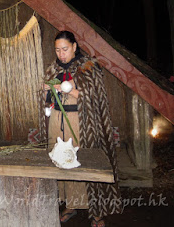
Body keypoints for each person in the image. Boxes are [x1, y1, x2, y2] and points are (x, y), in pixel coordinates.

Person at [42, 31, 121, 227]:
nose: (61, 54)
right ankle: (71, 204)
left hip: (79, 123)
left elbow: (97, 97)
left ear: (75, 47)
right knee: (60, 161)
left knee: (81, 161)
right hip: (56, 123)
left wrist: (72, 90)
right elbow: (49, 96)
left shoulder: (88, 67)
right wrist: (47, 91)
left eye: (65, 49)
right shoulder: (53, 69)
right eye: (58, 50)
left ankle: (95, 211)